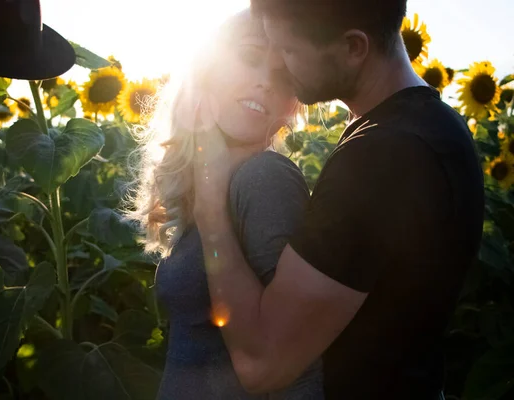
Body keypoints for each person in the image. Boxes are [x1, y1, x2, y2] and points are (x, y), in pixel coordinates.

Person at [190, 1, 485, 400]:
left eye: (289, 50)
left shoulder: (384, 156)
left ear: (353, 48)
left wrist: (210, 212)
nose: (276, 63)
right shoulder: (429, 127)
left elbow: (263, 365)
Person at [127, 9, 324, 400]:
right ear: (207, 67)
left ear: (291, 107)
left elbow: (297, 364)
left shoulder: (263, 180)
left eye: (284, 76)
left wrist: (211, 202)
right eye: (250, 57)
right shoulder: (209, 180)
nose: (266, 83)